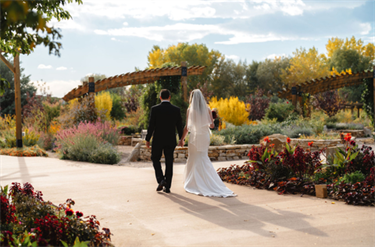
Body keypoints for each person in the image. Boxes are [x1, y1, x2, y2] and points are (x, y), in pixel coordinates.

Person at [178, 89, 236, 197]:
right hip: (204, 137)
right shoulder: (207, 109)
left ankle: (194, 182)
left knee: (194, 157)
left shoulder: (189, 110)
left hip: (195, 137)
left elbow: (187, 127)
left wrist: (182, 139)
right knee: (203, 157)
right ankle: (210, 183)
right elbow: (212, 126)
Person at [146, 89, 183, 194]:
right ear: (170, 97)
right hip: (170, 140)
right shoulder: (176, 110)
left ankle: (161, 179)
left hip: (158, 140)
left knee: (155, 159)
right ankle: (168, 187)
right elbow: (179, 126)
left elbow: (151, 126)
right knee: (169, 162)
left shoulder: (155, 109)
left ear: (160, 97)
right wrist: (181, 139)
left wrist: (147, 139)